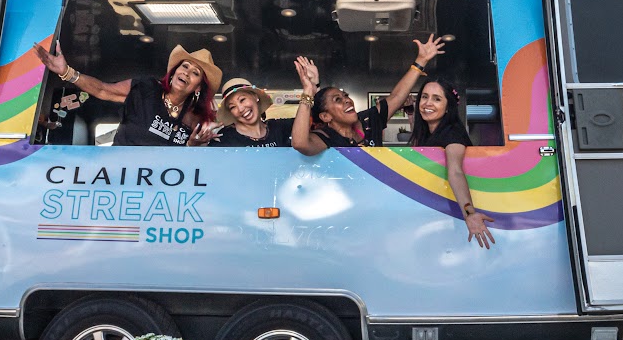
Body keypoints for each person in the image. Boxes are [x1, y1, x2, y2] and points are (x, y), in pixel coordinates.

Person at [33, 41, 223, 147]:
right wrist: (66, 72)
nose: (186, 73)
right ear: (173, 72)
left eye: (195, 73)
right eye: (184, 66)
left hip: (163, 193)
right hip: (122, 181)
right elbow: (102, 89)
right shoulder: (146, 89)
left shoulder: (196, 119)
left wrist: (192, 147)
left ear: (198, 87)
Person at [290, 35, 445, 154]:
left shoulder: (369, 121)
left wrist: (421, 61)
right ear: (326, 117)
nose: (347, 100)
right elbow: (300, 144)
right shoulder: (326, 137)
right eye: (338, 99)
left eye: (346, 96)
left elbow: (397, 97)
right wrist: (308, 91)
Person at [409, 78, 496, 249]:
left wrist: (470, 214)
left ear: (448, 107)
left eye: (437, 99)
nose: (428, 103)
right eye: (424, 97)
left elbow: (455, 172)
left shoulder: (453, 134)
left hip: (453, 214)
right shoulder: (429, 131)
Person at [212, 77, 293, 148]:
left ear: (255, 97)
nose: (240, 109)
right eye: (232, 107)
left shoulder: (278, 127)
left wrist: (306, 93)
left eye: (242, 100)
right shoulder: (224, 138)